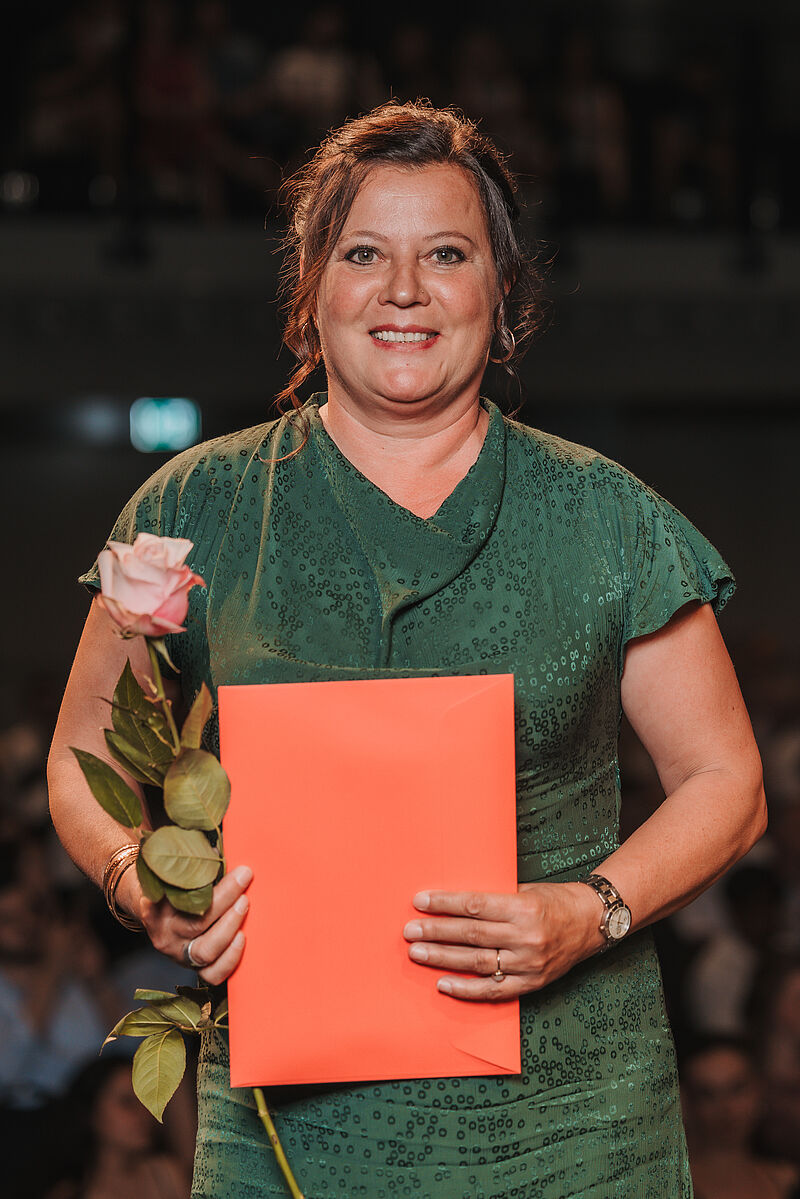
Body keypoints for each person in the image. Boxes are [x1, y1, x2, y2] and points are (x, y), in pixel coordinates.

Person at [48, 101, 766, 1197]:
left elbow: (726, 779)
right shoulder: (198, 506)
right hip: (290, 1118)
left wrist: (590, 910)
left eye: (446, 254)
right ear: (310, 292)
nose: (403, 290)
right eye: (362, 254)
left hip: (571, 1118)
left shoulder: (605, 513)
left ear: (501, 293)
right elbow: (80, 756)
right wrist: (135, 880)